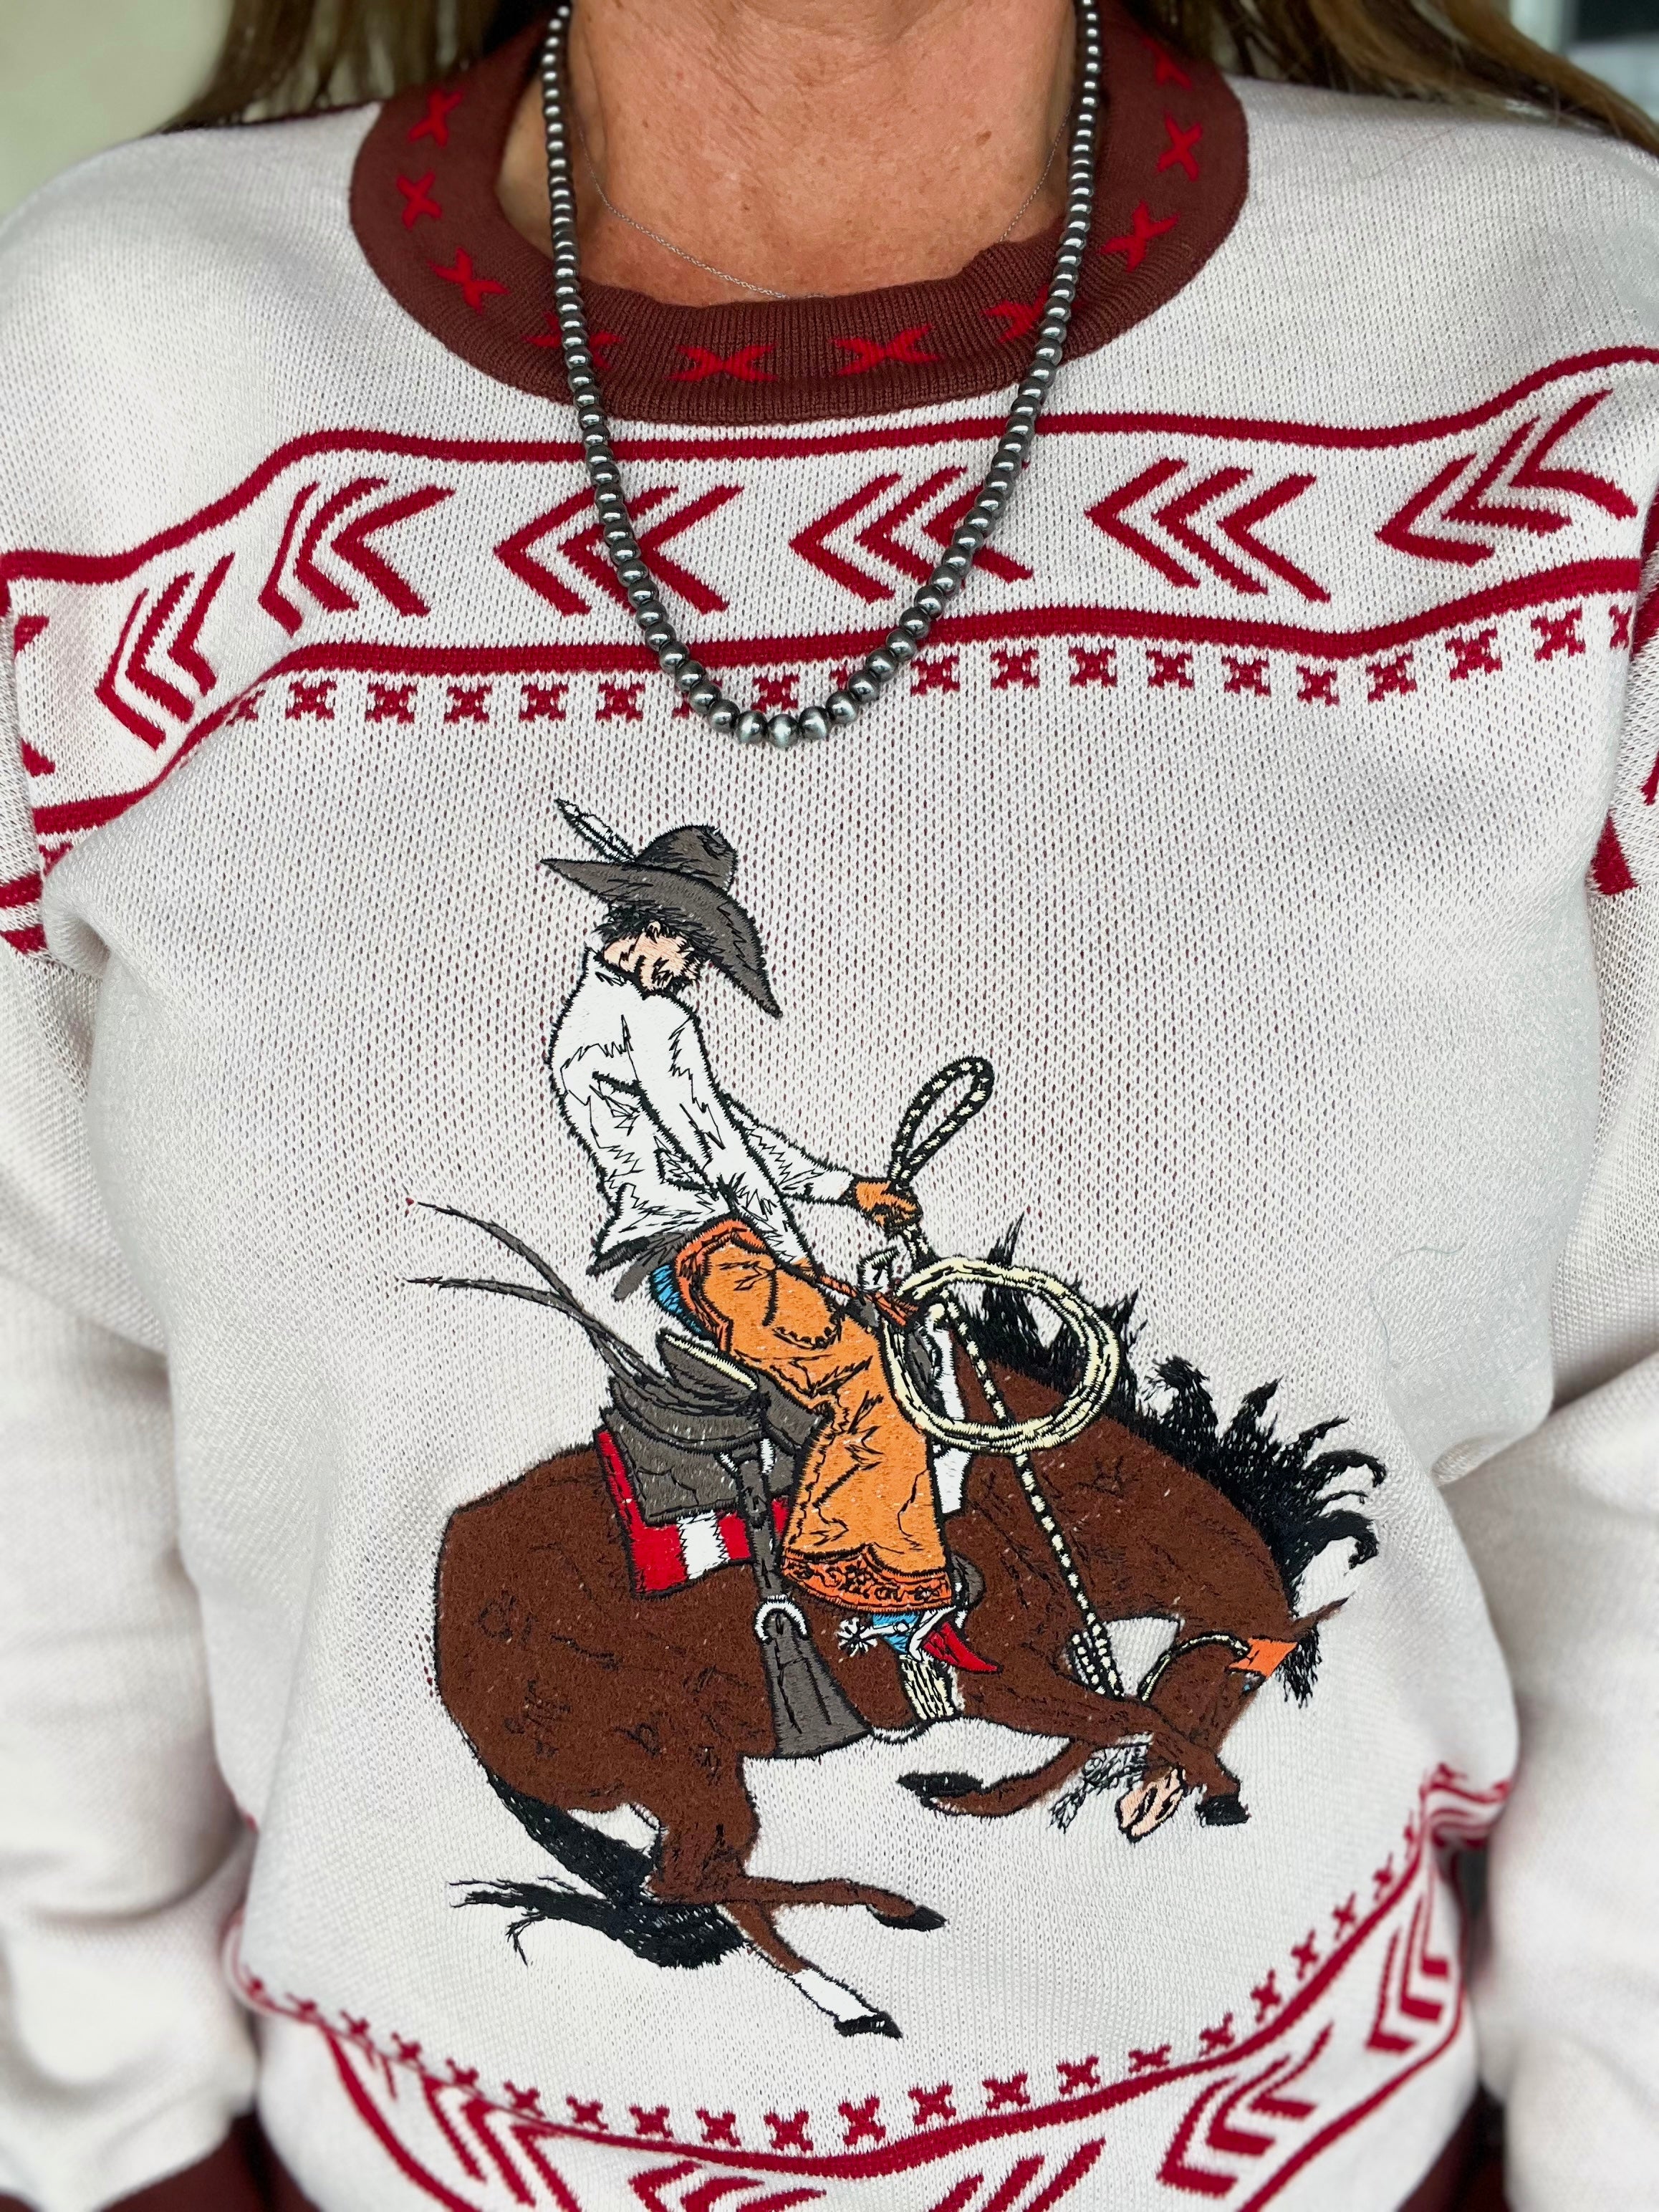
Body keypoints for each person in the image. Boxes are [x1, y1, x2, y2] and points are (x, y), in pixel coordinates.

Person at [0, 1, 1653, 2210]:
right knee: (873, 1381)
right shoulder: (103, 378)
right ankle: (875, 1613)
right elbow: (37, 1378)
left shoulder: (1570, 331)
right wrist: (106, 2137)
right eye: (661, 937)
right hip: (402, 2093)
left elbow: (1636, 1433)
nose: (665, 962)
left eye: (679, 943)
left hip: (1347, 2156)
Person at [543, 815, 964, 1631]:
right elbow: (725, 1156)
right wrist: (799, 1264)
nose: (694, 971)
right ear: (657, 931)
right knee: (867, 1377)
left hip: (690, 1251)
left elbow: (738, 1132)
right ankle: (864, 1583)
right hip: (709, 1252)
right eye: (694, 952)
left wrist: (848, 1190)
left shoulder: (597, 1016)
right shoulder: (649, 1020)